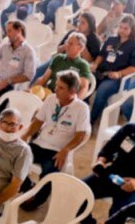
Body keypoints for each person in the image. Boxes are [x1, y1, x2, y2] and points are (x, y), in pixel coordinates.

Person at [20, 70, 92, 210]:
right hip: (40, 143)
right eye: (56, 86)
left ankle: (38, 200)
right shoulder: (51, 99)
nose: (55, 89)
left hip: (57, 150)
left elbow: (81, 135)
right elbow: (38, 122)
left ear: (72, 91)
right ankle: (28, 186)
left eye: (60, 88)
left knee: (49, 171)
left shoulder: (81, 108)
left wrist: (65, 150)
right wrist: (25, 136)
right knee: (15, 155)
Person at [89, 15, 135, 122]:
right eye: (121, 27)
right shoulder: (111, 39)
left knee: (102, 90)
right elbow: (101, 55)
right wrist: (95, 64)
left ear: (132, 30)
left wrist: (119, 73)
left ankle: (91, 121)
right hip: (101, 72)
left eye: (126, 28)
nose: (122, 31)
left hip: (116, 79)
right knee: (86, 81)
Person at [31, 33, 92, 99]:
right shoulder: (58, 58)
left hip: (65, 99)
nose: (67, 46)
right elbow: (44, 78)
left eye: (70, 44)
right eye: (67, 42)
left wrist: (73, 103)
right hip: (49, 93)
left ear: (80, 48)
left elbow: (84, 88)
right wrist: (31, 90)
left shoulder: (83, 65)